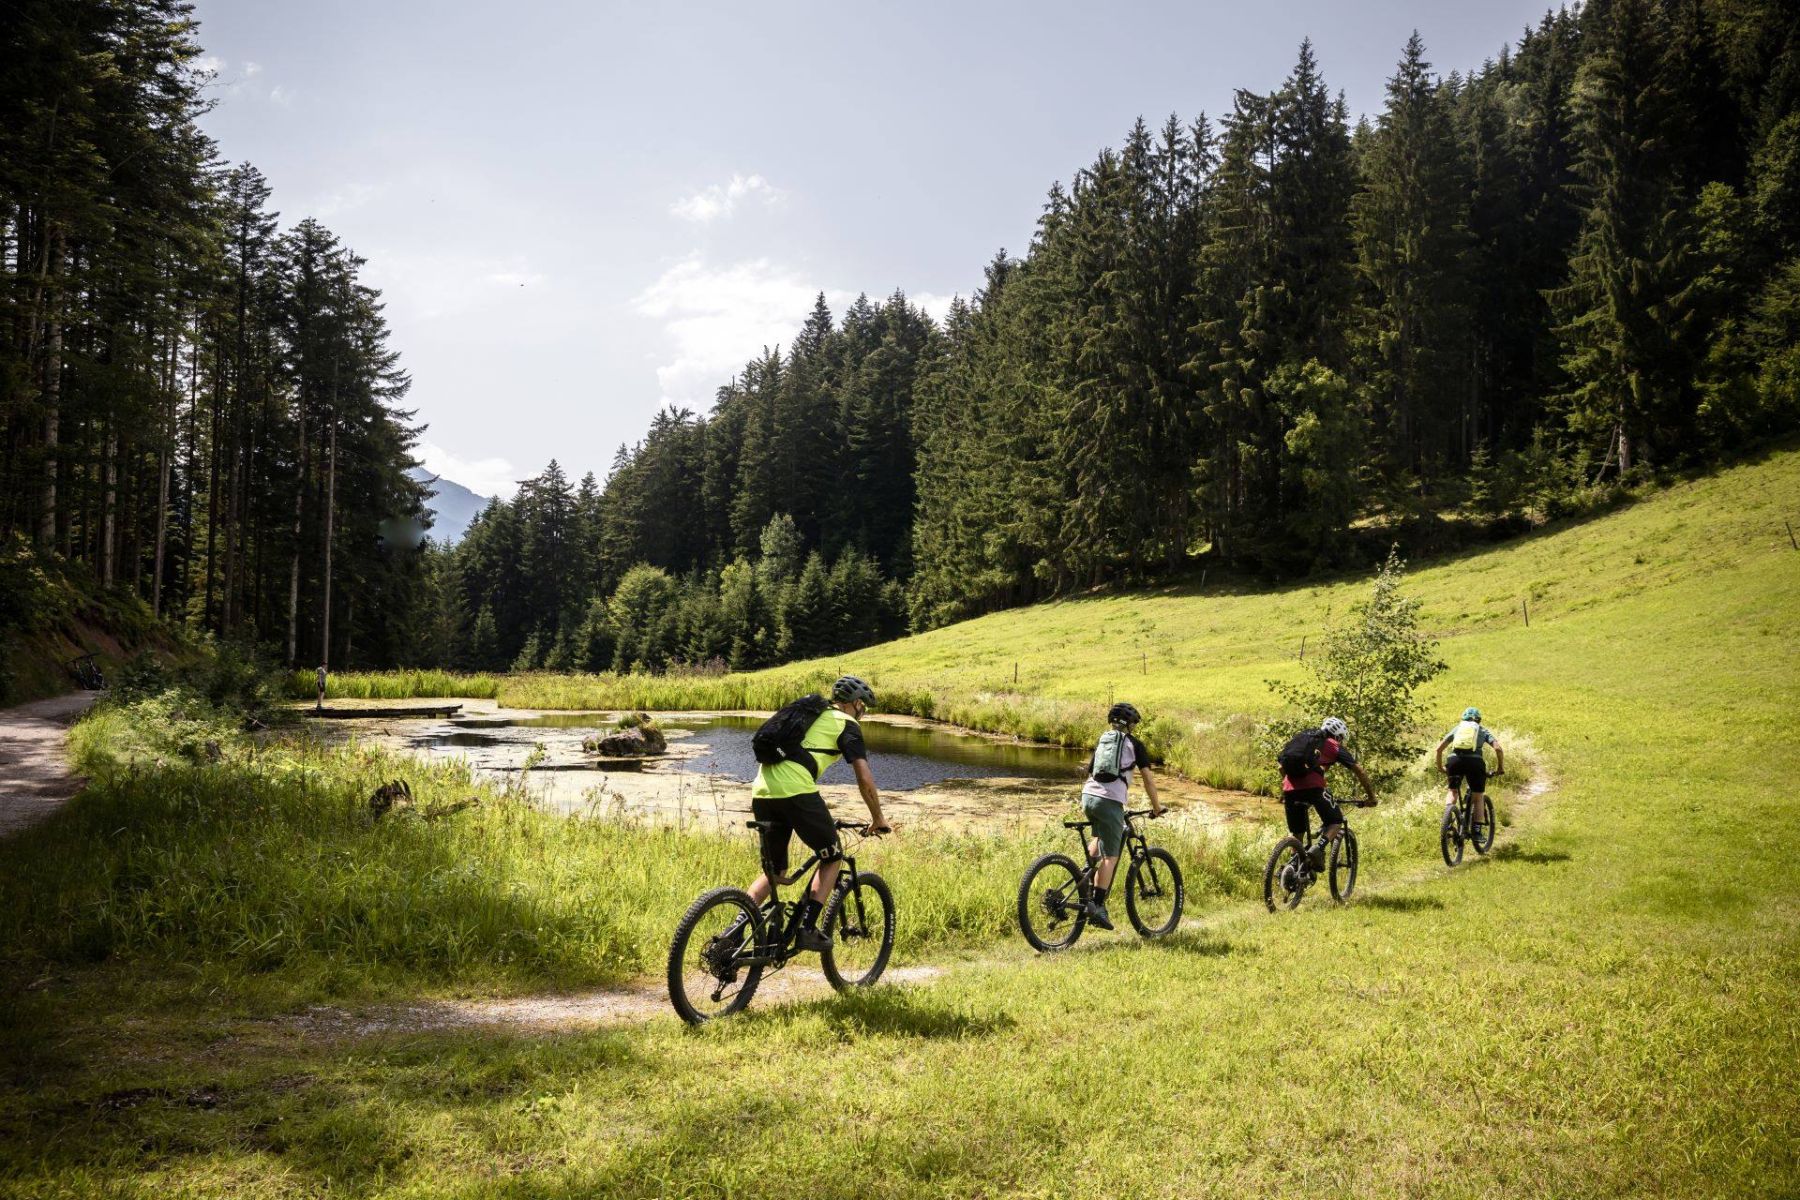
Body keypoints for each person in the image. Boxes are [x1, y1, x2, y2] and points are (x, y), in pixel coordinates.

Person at [741, 675, 892, 952]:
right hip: (796, 791)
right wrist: (878, 818)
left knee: (776, 872)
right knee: (833, 856)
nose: (864, 714)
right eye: (864, 708)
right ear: (856, 704)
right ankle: (808, 929)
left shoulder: (810, 714)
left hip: (761, 791)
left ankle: (735, 930)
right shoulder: (847, 724)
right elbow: (864, 777)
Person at [1079, 702, 1162, 932]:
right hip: (1109, 801)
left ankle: (1082, 880)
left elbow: (1091, 771)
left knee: (1099, 839)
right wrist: (1156, 808)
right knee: (1111, 856)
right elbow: (1148, 780)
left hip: (1088, 797)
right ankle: (1097, 905)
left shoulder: (1103, 740)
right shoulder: (1134, 744)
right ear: (1131, 725)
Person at [1281, 716, 1377, 871]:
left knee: (1296, 834)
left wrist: (1294, 787)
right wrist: (1371, 797)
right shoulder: (1333, 746)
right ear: (1338, 736)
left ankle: (1290, 869)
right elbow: (1359, 770)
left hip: (1289, 789)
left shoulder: (1303, 738)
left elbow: (1281, 768)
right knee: (1335, 821)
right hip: (1314, 788)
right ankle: (1318, 849)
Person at [1436, 706, 1503, 826]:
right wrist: (1500, 768)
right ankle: (1477, 831)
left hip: (1454, 761)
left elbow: (1438, 749)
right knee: (1478, 796)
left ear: (1463, 719)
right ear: (1479, 720)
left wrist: (1441, 767)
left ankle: (1447, 821)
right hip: (1475, 763)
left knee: (1453, 791)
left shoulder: (1458, 729)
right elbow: (1498, 749)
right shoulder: (1482, 730)